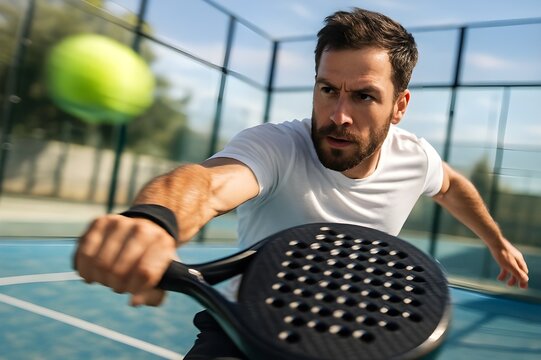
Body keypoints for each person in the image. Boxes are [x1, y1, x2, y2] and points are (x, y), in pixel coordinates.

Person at [74, 7, 529, 360]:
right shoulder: (275, 146)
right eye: (327, 89)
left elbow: (450, 186)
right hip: (244, 330)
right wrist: (155, 220)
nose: (338, 115)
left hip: (352, 332)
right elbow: (206, 185)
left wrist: (497, 241)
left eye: (364, 95)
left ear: (400, 106)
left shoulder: (414, 156)